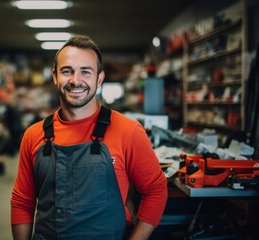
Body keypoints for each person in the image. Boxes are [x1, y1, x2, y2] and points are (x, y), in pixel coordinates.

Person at [11, 35, 168, 240]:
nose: (76, 81)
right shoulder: (34, 135)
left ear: (99, 78)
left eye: (86, 72)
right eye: (67, 71)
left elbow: (156, 190)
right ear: (55, 76)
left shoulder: (128, 131)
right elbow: (22, 202)